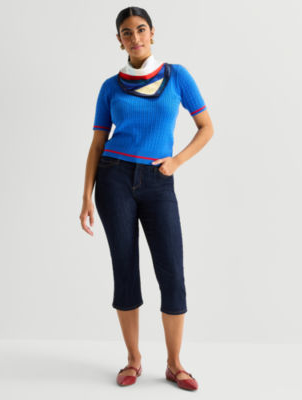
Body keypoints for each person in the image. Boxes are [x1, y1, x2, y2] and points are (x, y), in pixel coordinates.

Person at [80, 6, 214, 391]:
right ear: (119, 40)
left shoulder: (177, 76)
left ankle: (175, 364)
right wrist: (86, 197)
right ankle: (133, 359)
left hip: (159, 181)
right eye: (127, 32)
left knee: (172, 271)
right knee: (125, 269)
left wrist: (176, 162)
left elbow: (206, 127)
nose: (135, 37)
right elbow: (97, 143)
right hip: (114, 180)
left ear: (152, 33)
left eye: (141, 29)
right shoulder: (110, 87)